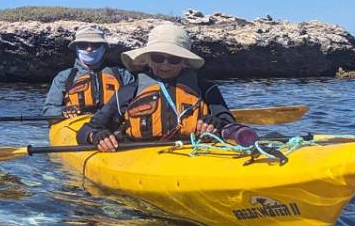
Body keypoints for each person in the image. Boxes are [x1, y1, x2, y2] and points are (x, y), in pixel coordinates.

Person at [78, 23, 253, 151]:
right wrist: (96, 136)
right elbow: (87, 130)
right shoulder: (129, 92)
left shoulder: (206, 89)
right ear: (148, 59)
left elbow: (228, 122)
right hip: (141, 156)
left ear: (184, 61)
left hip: (194, 152)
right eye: (158, 58)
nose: (166, 65)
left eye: (174, 59)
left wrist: (218, 123)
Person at [43, 25, 134, 118]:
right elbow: (49, 110)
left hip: (113, 126)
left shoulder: (122, 74)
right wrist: (63, 110)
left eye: (95, 45)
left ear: (104, 47)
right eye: (83, 45)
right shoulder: (64, 77)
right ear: (75, 48)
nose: (89, 49)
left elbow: (136, 101)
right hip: (75, 126)